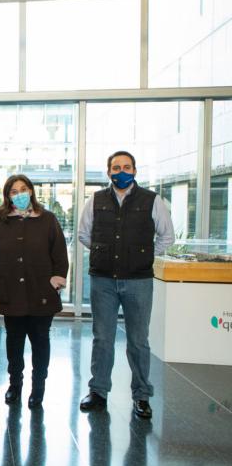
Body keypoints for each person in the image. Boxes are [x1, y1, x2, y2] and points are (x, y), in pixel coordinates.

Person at [78, 150, 174, 419]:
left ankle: (142, 396)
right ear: (108, 172)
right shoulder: (95, 200)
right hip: (103, 280)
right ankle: (98, 392)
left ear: (135, 170)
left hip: (138, 281)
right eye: (116, 167)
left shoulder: (152, 200)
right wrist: (102, 251)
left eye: (127, 167)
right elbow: (84, 234)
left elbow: (167, 236)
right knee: (102, 338)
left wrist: (143, 255)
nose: (121, 171)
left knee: (138, 341)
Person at [0, 174, 69, 409]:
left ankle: (38, 388)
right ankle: (15, 385)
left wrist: (56, 280)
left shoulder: (47, 219)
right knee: (14, 343)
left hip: (41, 292)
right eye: (14, 192)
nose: (19, 194)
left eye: (23, 189)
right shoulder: (1, 221)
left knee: (40, 342)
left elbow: (60, 253)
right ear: (8, 196)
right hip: (11, 292)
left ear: (31, 191)